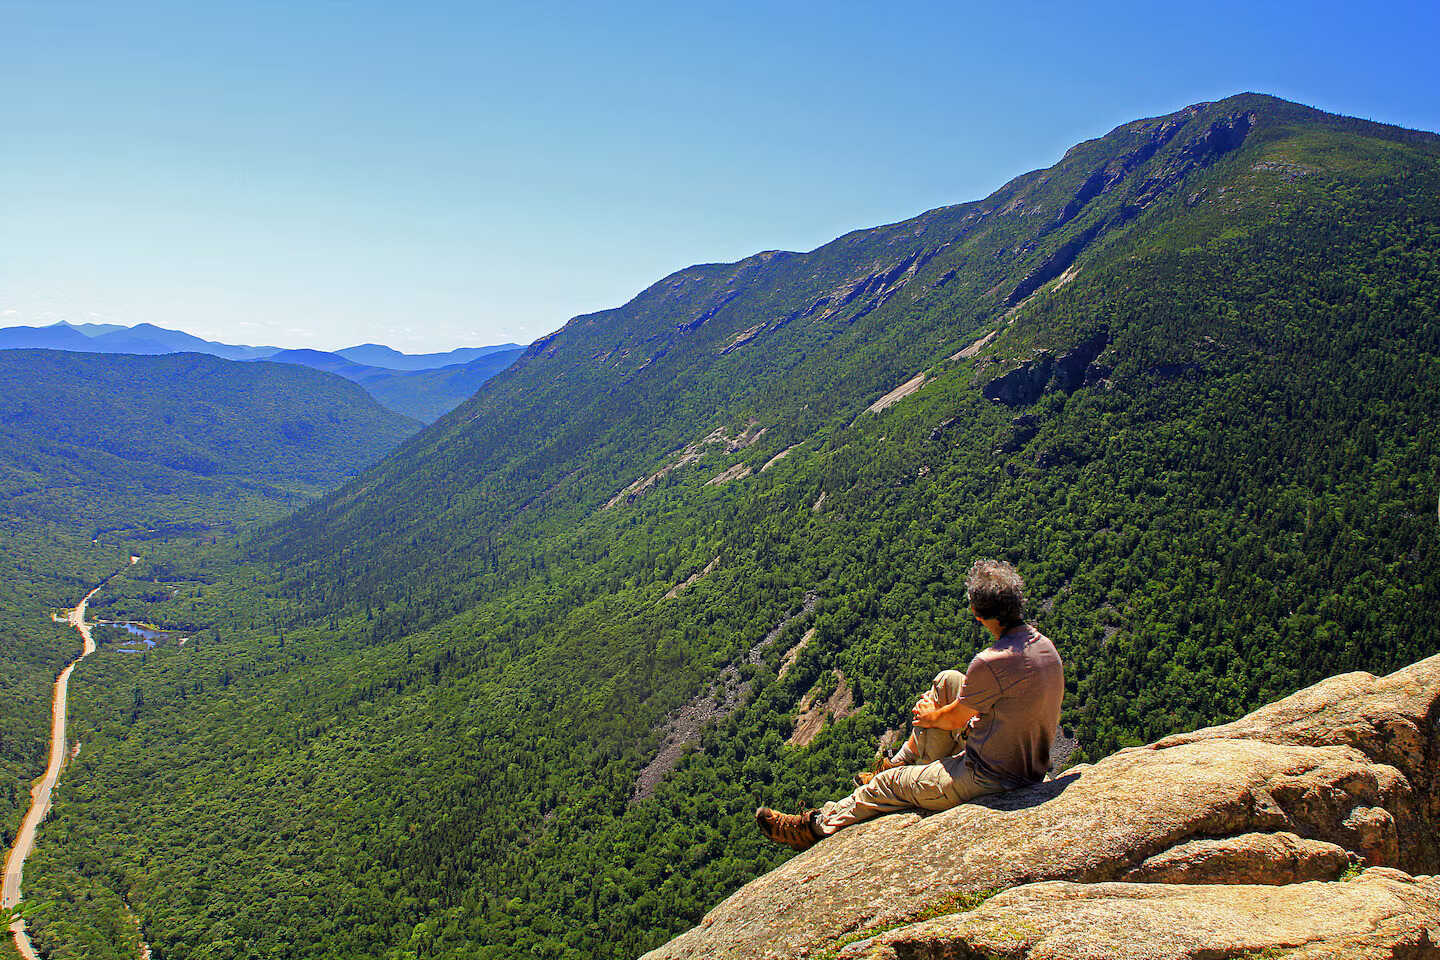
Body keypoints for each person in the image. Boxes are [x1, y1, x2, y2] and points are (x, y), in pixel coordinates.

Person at [755, 559, 1064, 851]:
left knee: (888, 785)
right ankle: (900, 761)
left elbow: (952, 719)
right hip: (1026, 761)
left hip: (990, 776)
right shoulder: (1045, 646)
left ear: (977, 612)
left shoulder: (989, 663)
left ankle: (813, 826)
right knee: (947, 681)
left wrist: (929, 718)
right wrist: (935, 715)